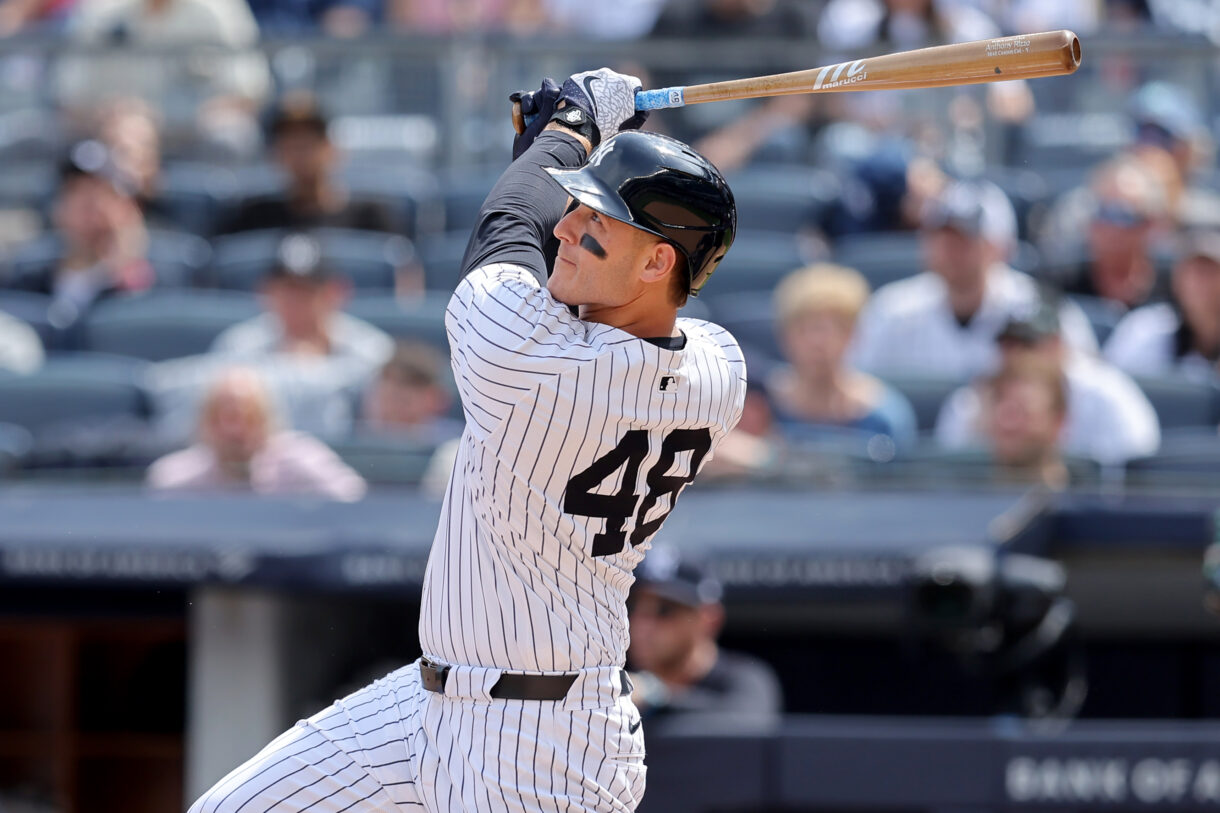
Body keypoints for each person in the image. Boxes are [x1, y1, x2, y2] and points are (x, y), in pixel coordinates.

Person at [187, 67, 744, 813]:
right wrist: (557, 158)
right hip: (427, 700)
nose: (569, 229)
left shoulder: (529, 362)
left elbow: (509, 228)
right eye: (576, 211)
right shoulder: (717, 365)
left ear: (657, 261)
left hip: (543, 744)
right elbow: (579, 291)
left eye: (597, 225)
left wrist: (566, 133)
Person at [850, 178, 1097, 381]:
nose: (949, 250)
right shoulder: (893, 310)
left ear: (1002, 248)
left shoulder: (1043, 311)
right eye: (940, 237)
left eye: (965, 239)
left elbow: (1083, 390)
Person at [936, 296, 1160, 466]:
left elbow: (1134, 469)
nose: (1018, 356)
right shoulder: (974, 399)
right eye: (1009, 346)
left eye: (1029, 345)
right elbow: (950, 469)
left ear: (1058, 346)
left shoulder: (1108, 394)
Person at [5, 140, 154, 339]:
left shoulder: (150, 283)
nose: (89, 205)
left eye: (102, 193)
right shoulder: (23, 281)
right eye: (75, 192)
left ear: (127, 208)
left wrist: (125, 267)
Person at [147, 366, 367, 500]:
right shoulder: (174, 479)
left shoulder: (301, 462)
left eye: (249, 418)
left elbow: (353, 502)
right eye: (222, 418)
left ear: (269, 422)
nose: (235, 431)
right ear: (204, 424)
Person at [763, 263, 917, 450]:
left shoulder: (884, 415)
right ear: (784, 334)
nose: (817, 342)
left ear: (854, 334)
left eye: (832, 329)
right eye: (803, 328)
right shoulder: (755, 405)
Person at [627, 544, 782, 728]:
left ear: (709, 620)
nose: (641, 625)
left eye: (664, 610)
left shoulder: (744, 678)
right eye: (632, 608)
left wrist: (654, 695)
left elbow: (746, 724)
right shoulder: (612, 679)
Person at [216, 93, 400, 236]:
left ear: (331, 148)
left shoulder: (370, 218)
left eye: (308, 144)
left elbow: (406, 278)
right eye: (290, 146)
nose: (300, 155)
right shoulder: (253, 217)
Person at [1104, 228, 1220, 383]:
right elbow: (1112, 384)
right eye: (1194, 271)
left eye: (1211, 271)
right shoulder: (1144, 331)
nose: (1201, 282)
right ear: (1177, 279)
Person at [977, 355, 1071, 490]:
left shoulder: (1093, 502)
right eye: (1000, 408)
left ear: (1058, 421)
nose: (1007, 423)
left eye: (1023, 411)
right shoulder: (956, 496)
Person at [358, 340, 462, 443]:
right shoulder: (355, 439)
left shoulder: (455, 443)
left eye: (402, 401)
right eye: (382, 400)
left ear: (433, 399)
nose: (389, 410)